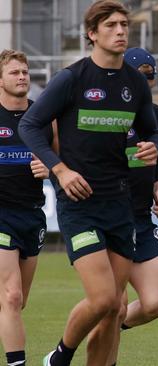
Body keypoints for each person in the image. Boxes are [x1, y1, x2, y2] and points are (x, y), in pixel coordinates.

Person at [18, 1, 158, 365]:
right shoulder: (72, 79)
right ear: (92, 33)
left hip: (120, 204)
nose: (120, 31)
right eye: (111, 25)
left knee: (115, 308)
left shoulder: (134, 85)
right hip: (79, 205)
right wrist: (60, 171)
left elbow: (151, 129)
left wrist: (153, 147)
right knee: (102, 298)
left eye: (124, 24)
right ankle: (62, 355)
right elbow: (29, 126)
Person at [107, 47, 158, 365]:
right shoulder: (111, 112)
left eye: (151, 76)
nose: (147, 82)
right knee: (115, 304)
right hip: (110, 215)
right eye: (140, 76)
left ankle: (101, 332)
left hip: (142, 218)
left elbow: (151, 159)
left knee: (156, 303)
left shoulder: (157, 114)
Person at [0, 49, 54, 366]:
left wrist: (52, 168)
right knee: (11, 296)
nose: (22, 77)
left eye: (24, 72)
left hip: (33, 214)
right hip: (1, 214)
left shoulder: (42, 119)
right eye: (14, 72)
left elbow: (65, 163)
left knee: (19, 303)